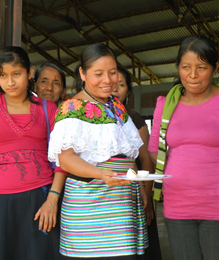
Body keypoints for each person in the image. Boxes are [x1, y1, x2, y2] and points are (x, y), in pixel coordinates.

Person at [148, 35, 219, 260]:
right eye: (186, 67)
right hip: (177, 205)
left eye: (201, 67)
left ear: (215, 68)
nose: (192, 75)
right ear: (178, 68)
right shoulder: (165, 105)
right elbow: (155, 151)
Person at [48, 43, 148, 259]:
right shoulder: (71, 108)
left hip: (122, 205)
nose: (108, 80)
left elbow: (129, 156)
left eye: (112, 73)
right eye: (98, 74)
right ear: (82, 74)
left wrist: (139, 188)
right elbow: (65, 160)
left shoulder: (117, 107)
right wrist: (100, 174)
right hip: (89, 208)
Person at [0, 46, 67, 260]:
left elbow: (65, 157)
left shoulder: (49, 109)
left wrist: (53, 198)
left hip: (41, 199)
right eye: (2, 75)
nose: (10, 82)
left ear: (29, 72)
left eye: (16, 74)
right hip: (0, 201)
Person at [112, 67, 162, 260]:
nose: (115, 88)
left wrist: (147, 196)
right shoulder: (93, 116)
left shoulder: (133, 118)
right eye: (113, 83)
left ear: (128, 93)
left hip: (134, 189)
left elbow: (145, 160)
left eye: (122, 85)